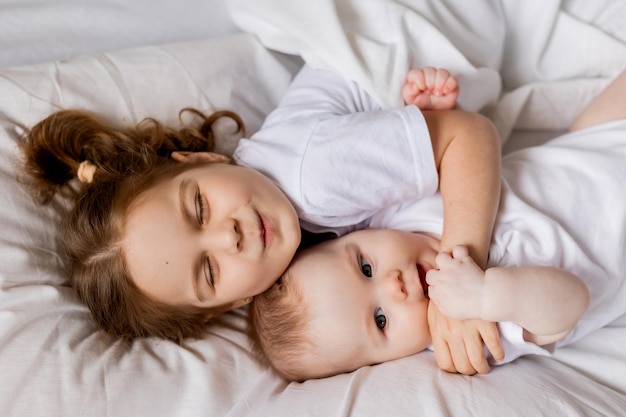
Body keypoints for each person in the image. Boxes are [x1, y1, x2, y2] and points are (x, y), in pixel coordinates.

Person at [18, 66, 501, 350]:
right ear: (231, 306)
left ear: (201, 159)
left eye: (200, 207)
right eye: (208, 270)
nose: (228, 237)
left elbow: (470, 136)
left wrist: (461, 280)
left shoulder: (312, 179)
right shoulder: (305, 272)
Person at [247, 69, 626, 382]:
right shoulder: (466, 333)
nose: (393, 286)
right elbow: (573, 300)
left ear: (355, 232)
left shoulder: (397, 212)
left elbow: (466, 159)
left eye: (365, 267)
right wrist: (486, 295)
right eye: (381, 320)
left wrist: (437, 111)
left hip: (595, 143)